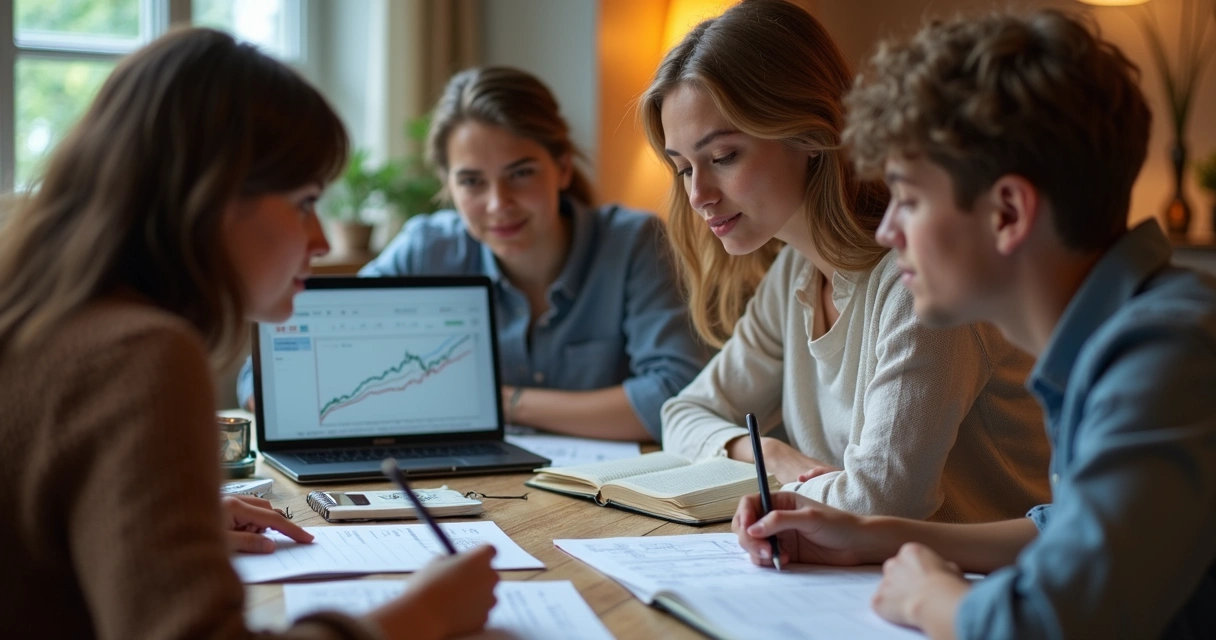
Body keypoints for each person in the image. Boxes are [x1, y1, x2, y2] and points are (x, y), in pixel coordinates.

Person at [0, 28, 499, 639]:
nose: (319, 241)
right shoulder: (140, 354)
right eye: (305, 201)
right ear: (213, 196)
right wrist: (418, 615)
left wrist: (163, 523)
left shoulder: (38, 318)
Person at [733, 8, 1216, 638]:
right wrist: (865, 536)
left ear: (1008, 212)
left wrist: (931, 598)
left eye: (908, 198)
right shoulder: (1118, 338)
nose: (886, 231)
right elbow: (1065, 528)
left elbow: (1054, 620)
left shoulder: (1166, 353)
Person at [644, 0, 1049, 523]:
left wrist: (780, 500)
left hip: (965, 590)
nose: (698, 194)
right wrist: (770, 457)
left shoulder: (917, 283)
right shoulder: (794, 275)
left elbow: (880, 502)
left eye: (723, 157)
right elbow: (681, 412)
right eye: (682, 169)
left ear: (807, 133)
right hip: (858, 578)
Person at [237, 66, 708, 442]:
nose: (498, 204)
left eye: (520, 173)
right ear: (449, 185)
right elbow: (262, 377)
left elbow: (674, 398)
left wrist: (497, 401)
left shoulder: (633, 243)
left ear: (562, 168)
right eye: (471, 182)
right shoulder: (427, 249)